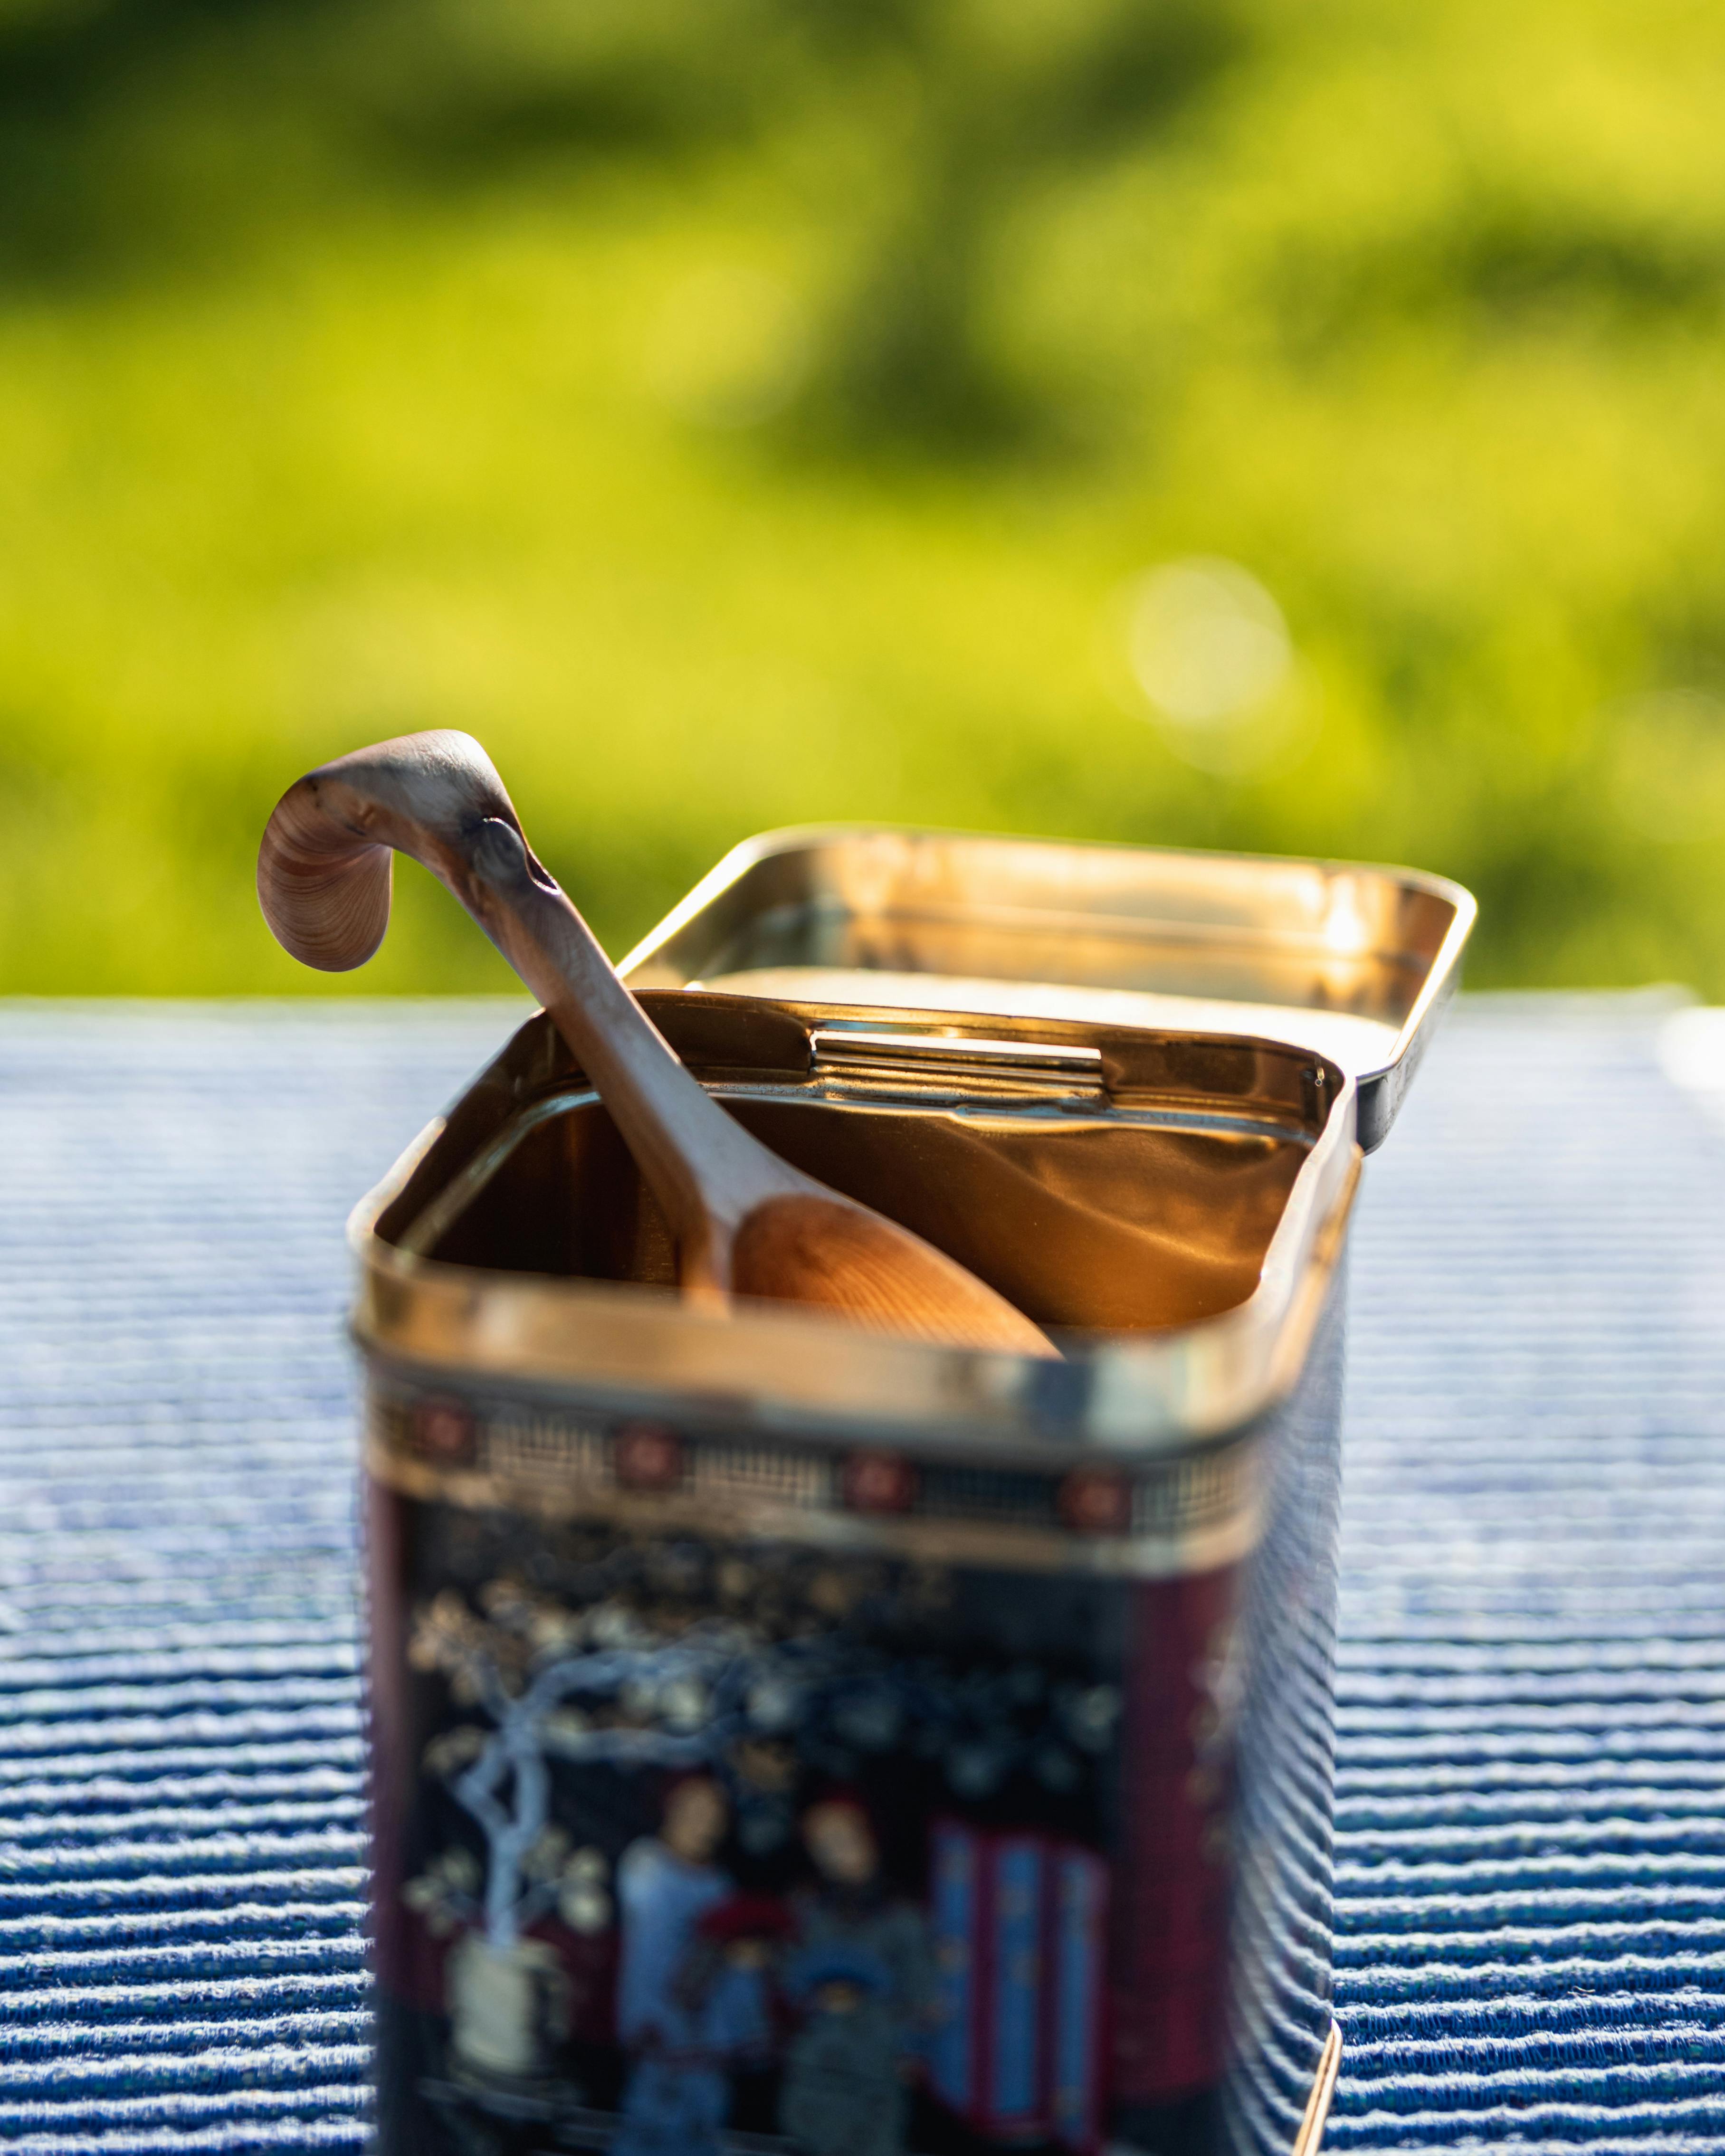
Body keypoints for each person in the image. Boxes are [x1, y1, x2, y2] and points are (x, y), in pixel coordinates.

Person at [610, 1773, 766, 2156]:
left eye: (715, 1812)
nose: (704, 1820)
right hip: (659, 2039)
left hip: (709, 2047)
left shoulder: (721, 1883)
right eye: (694, 1808)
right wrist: (718, 1949)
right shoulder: (647, 1864)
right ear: (670, 1809)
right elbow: (654, 1949)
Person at [779, 1794, 934, 2156]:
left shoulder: (902, 1916)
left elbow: (922, 1995)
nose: (836, 1852)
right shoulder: (805, 1911)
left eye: (845, 1838)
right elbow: (785, 1980)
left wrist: (904, 2047)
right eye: (823, 1844)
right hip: (814, 2073)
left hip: (874, 2071)